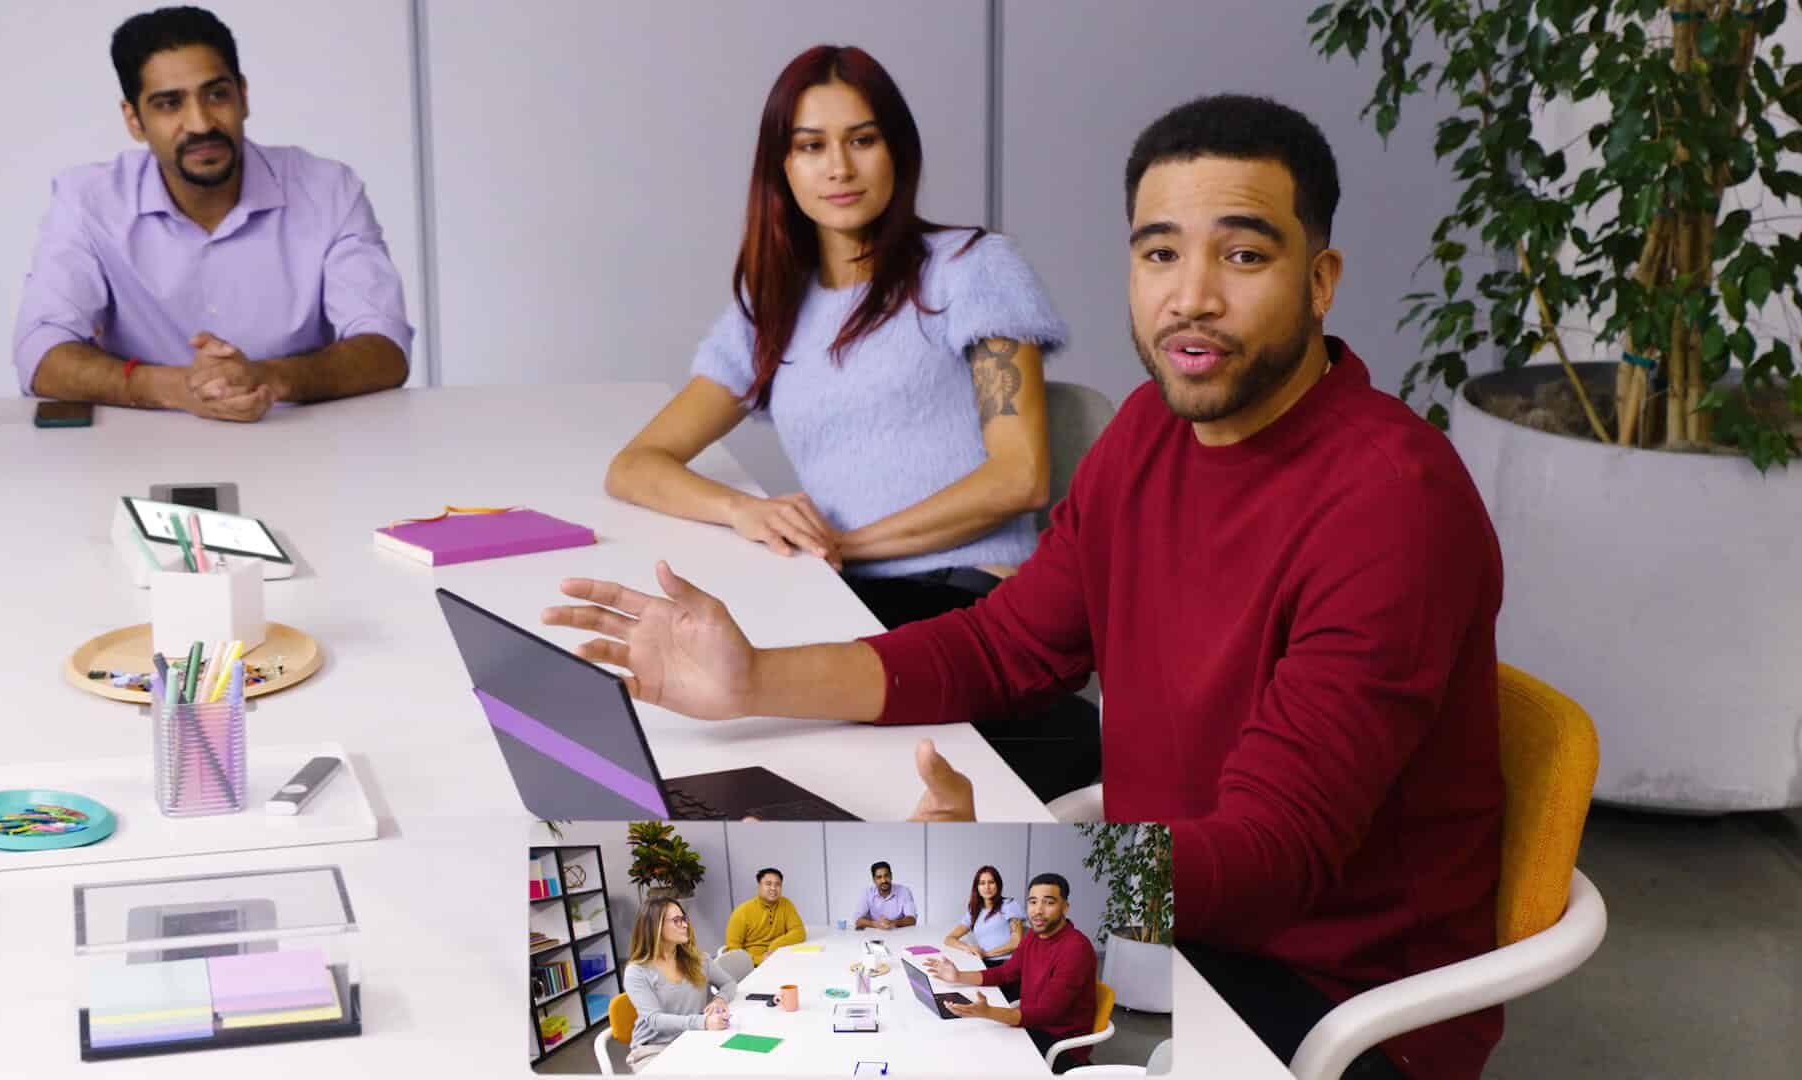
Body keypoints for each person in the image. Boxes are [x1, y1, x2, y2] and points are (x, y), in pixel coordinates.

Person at [544, 93, 1505, 1080]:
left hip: (1329, 1002)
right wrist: (751, 681)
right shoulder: (1148, 434)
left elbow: (1272, 861)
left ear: (1321, 281)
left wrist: (1012, 881)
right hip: (1167, 938)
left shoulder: (1393, 504)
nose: (1193, 298)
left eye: (1245, 256)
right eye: (1160, 253)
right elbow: (1002, 646)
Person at [599, 43, 1098, 801]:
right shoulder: (770, 308)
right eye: (811, 146)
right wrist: (748, 510)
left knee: (769, 736)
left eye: (862, 140)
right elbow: (635, 465)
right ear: (783, 167)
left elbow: (1019, 476)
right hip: (845, 598)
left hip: (971, 600)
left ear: (897, 150)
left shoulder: (969, 267)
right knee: (704, 722)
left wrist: (842, 544)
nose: (839, 167)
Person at [12, 5, 412, 421]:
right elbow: (40, 353)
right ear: (134, 119)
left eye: (217, 94)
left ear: (243, 95)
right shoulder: (88, 202)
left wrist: (267, 378)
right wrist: (173, 387)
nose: (201, 123)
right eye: (169, 104)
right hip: (137, 452)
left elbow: (385, 349)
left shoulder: (329, 191)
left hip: (300, 444)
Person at [923, 873, 1096, 1072]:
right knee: (963, 1043)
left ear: (1065, 907)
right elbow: (1006, 973)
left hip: (1059, 1043)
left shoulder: (1075, 949)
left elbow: (1046, 1014)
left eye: (1049, 902)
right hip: (1030, 1025)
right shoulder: (1033, 936)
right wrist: (958, 976)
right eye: (1033, 902)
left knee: (978, 1060)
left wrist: (988, 1013)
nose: (1038, 910)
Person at [621, 898, 735, 1070]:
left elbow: (729, 983)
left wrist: (720, 999)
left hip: (695, 1037)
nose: (685, 925)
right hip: (655, 1049)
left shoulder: (699, 960)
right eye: (676, 920)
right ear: (655, 927)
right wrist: (703, 1022)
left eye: (684, 919)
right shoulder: (637, 971)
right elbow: (654, 1020)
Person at [724, 867, 807, 965]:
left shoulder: (785, 904)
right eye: (768, 884)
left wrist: (775, 945)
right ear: (759, 886)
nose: (773, 888)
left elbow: (799, 932)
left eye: (777, 884)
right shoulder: (742, 912)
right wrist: (759, 960)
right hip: (752, 966)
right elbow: (733, 950)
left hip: (780, 958)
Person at [945, 865, 1024, 966]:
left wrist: (986, 954)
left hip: (1007, 963)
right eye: (982, 883)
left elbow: (1016, 942)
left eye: (991, 882)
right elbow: (949, 938)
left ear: (998, 885)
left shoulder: (1009, 905)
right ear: (977, 887)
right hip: (983, 962)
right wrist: (969, 948)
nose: (987, 887)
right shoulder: (974, 911)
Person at [852, 861, 917, 930]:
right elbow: (858, 920)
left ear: (891, 876)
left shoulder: (904, 891)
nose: (883, 880)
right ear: (874, 880)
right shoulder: (867, 893)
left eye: (886, 875)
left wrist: (893, 923)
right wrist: (876, 924)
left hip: (900, 935)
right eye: (879, 877)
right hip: (874, 936)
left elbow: (912, 919)